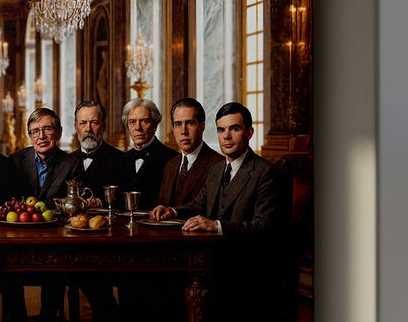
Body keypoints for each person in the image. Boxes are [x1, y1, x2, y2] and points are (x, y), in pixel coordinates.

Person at [176, 103, 283, 238]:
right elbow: (197, 205)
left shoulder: (266, 172)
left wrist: (216, 226)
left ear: (249, 133)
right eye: (221, 130)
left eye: (234, 129)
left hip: (245, 255)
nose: (226, 136)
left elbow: (265, 225)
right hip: (209, 251)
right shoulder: (216, 169)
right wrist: (172, 211)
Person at [149, 98, 223, 219]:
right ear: (173, 129)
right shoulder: (170, 164)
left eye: (190, 123)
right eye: (178, 124)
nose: (183, 131)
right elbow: (161, 206)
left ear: (202, 126)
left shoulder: (219, 165)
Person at [11, 108, 74, 201]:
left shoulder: (72, 164)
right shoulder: (15, 161)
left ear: (59, 133)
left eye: (47, 129)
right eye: (35, 131)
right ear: (31, 137)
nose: (41, 136)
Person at [117, 99, 172, 204]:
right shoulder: (121, 160)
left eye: (144, 121)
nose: (138, 128)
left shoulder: (171, 159)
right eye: (132, 122)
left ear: (154, 125)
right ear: (127, 127)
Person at [69, 100, 128, 198]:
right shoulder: (67, 161)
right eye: (83, 123)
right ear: (76, 127)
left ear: (103, 126)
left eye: (94, 123)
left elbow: (123, 198)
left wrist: (100, 203)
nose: (88, 129)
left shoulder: (121, 160)